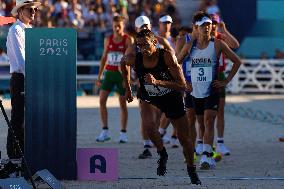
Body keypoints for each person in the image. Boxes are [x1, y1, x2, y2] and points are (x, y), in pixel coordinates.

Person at [121, 29, 201, 185]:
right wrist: (128, 88)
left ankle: (191, 169)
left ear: (155, 43)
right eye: (139, 46)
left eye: (145, 45)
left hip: (171, 96)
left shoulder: (166, 56)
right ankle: (162, 153)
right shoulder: (136, 58)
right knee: (149, 127)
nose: (142, 49)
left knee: (184, 138)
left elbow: (182, 85)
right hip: (148, 96)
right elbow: (123, 62)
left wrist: (158, 82)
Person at [181, 11, 242, 169]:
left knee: (209, 121)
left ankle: (207, 157)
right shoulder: (190, 46)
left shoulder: (218, 44)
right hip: (195, 91)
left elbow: (237, 61)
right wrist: (183, 82)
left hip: (212, 89)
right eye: (203, 26)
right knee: (199, 123)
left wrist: (226, 81)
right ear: (197, 28)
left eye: (209, 26)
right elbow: (176, 63)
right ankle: (198, 149)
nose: (207, 28)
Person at [129, 15, 174, 159]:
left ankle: (159, 138)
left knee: (160, 114)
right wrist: (130, 79)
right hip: (144, 84)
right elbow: (125, 62)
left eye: (146, 26)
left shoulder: (158, 40)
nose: (144, 28)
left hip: (160, 83)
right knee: (146, 116)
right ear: (136, 29)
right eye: (141, 27)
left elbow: (172, 55)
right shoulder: (133, 44)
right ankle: (147, 146)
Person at [6, 0, 41, 158]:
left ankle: (23, 154)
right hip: (21, 77)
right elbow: (21, 60)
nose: (33, 12)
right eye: (30, 9)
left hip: (28, 75)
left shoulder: (29, 29)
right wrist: (34, 78)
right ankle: (14, 155)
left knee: (27, 118)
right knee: (19, 118)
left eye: (34, 9)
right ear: (20, 11)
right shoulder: (16, 30)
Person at [96, 15, 134, 143]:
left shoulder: (128, 39)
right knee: (102, 101)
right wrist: (99, 76)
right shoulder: (108, 39)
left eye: (119, 26)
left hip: (121, 75)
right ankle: (105, 130)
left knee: (122, 104)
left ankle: (123, 133)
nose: (117, 28)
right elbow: (103, 58)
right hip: (109, 74)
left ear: (123, 26)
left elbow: (130, 60)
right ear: (112, 26)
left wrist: (127, 78)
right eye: (115, 26)